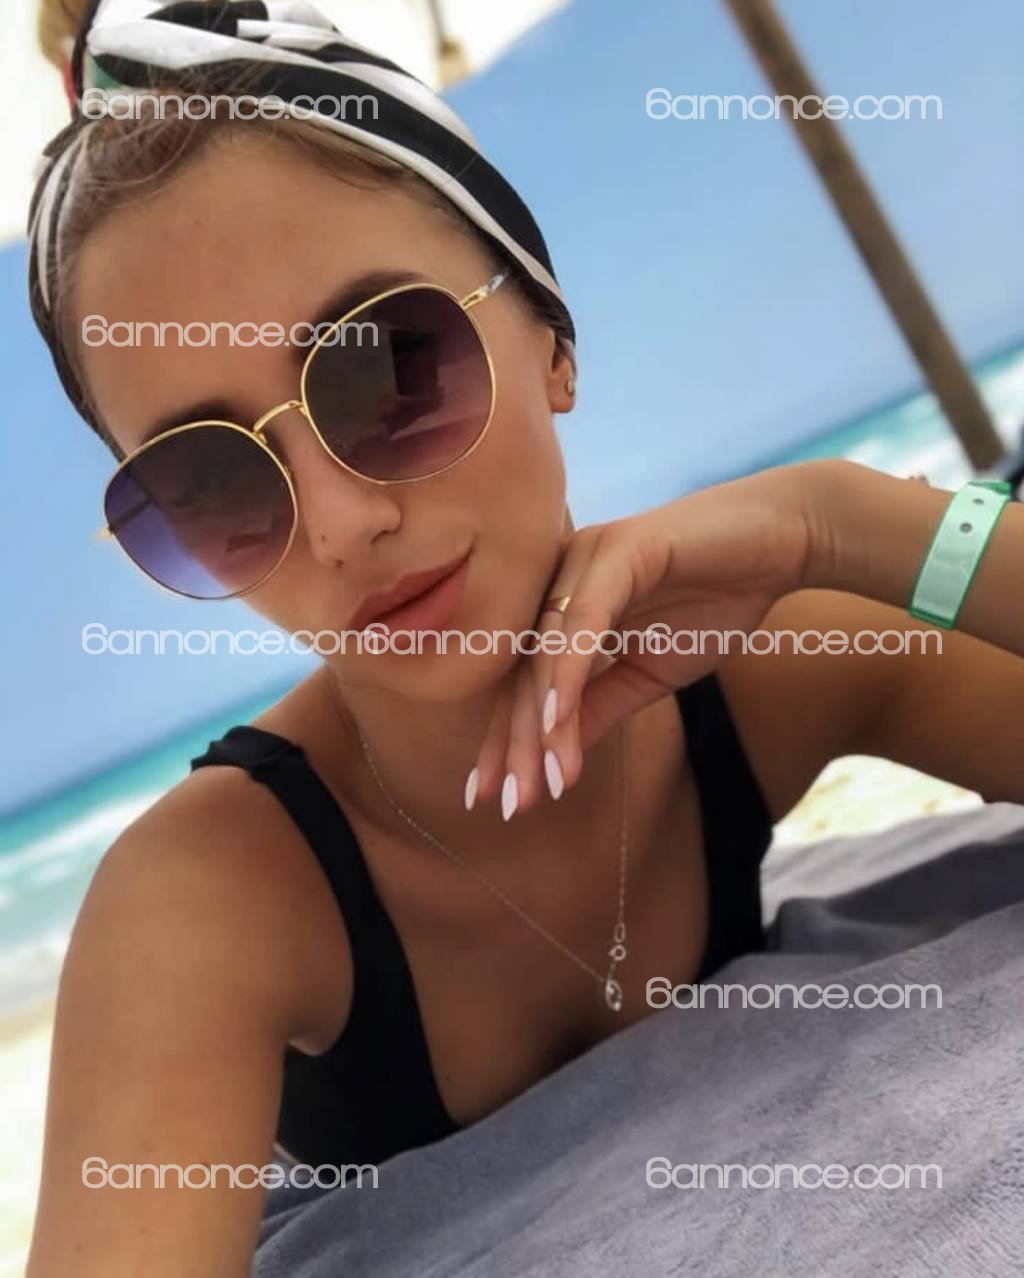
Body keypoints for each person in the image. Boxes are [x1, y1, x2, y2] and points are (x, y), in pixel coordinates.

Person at [25, 2, 1024, 1275]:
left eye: (386, 366)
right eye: (210, 484)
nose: (339, 524)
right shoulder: (211, 901)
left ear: (550, 336)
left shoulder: (769, 653)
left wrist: (850, 522)